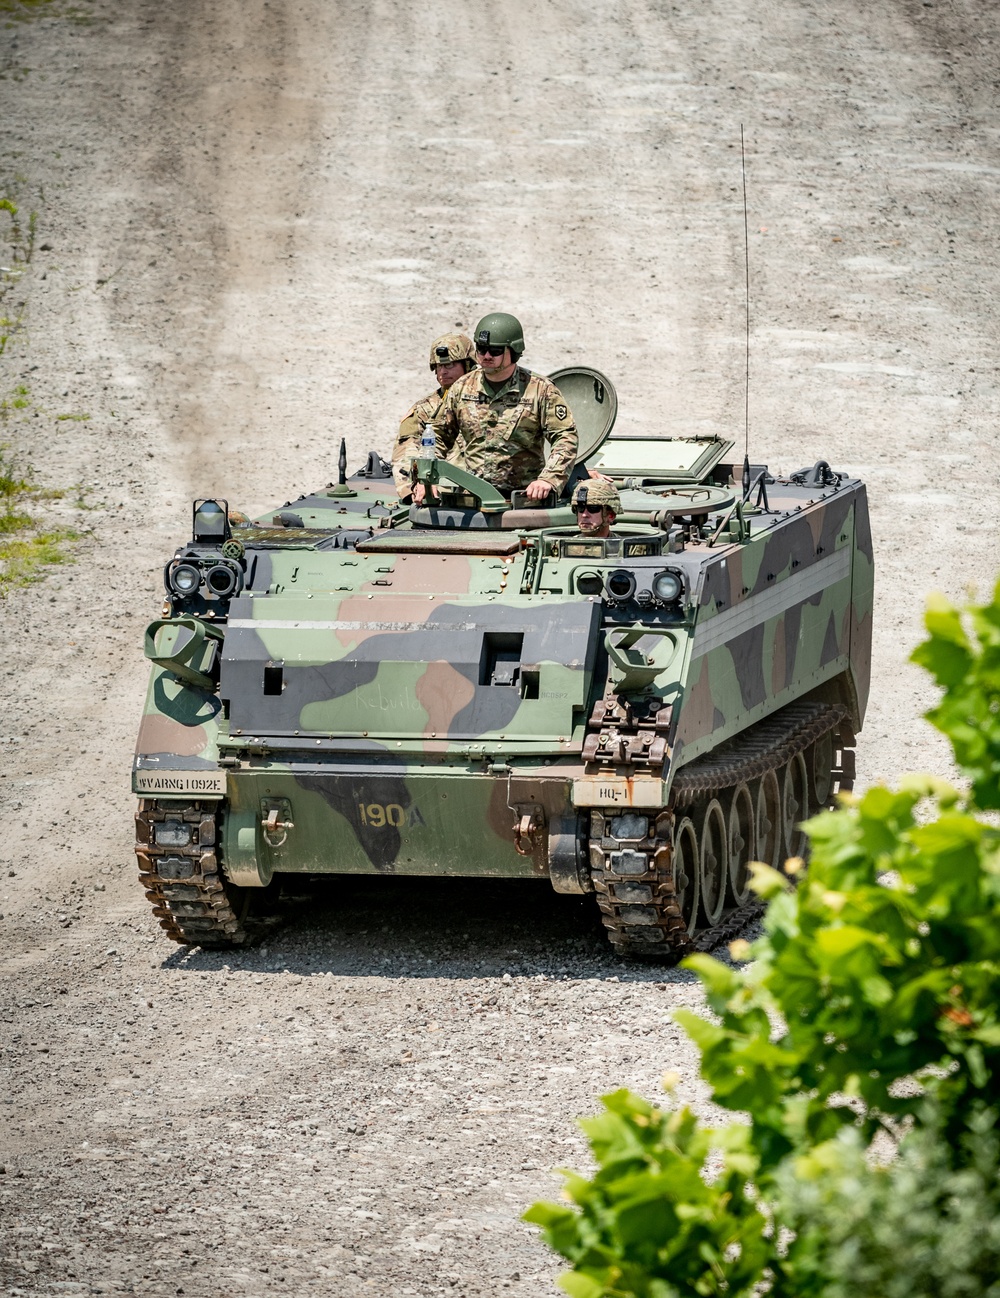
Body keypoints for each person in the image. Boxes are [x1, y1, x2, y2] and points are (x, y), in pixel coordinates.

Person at [415, 312, 578, 504]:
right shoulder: (461, 387)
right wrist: (425, 478)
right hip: (472, 500)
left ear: (514, 351)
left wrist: (548, 479)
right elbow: (438, 435)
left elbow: (565, 437)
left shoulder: (540, 390)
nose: (486, 356)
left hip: (524, 502)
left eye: (495, 351)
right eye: (481, 349)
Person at [392, 333, 476, 501]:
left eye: (450, 365)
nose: (442, 372)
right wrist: (416, 485)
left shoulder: (487, 403)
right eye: (438, 366)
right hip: (442, 497)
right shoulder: (423, 410)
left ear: (468, 365)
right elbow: (406, 452)